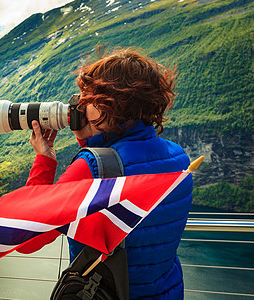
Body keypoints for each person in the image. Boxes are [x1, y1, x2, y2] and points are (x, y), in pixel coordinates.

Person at [26, 47, 193, 299]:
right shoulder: (179, 158)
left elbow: (27, 237)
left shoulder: (91, 169)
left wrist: (44, 160)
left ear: (112, 104)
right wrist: (88, 140)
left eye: (88, 97)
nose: (79, 105)